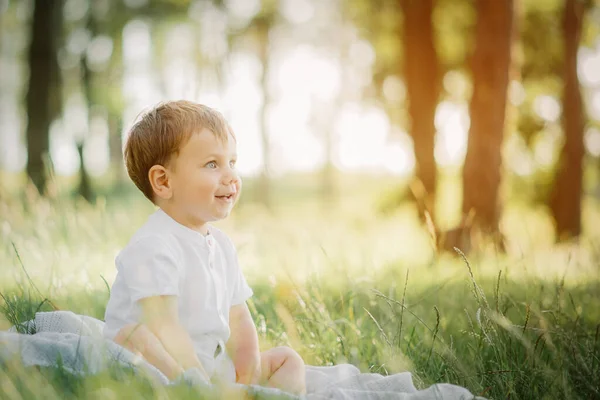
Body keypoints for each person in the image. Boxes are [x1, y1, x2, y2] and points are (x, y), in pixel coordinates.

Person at [103, 100, 306, 395]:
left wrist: (247, 373)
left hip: (210, 364)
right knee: (134, 337)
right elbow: (164, 326)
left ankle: (248, 393)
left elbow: (238, 317)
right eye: (213, 164)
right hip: (159, 362)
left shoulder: (221, 245)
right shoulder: (153, 246)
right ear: (163, 181)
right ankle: (197, 391)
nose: (231, 176)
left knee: (289, 360)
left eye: (232, 163)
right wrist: (196, 377)